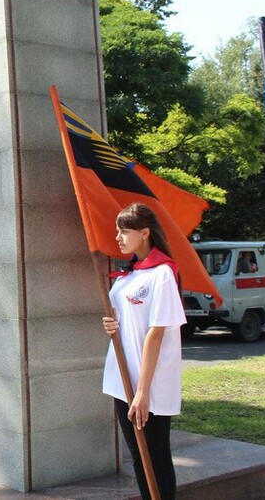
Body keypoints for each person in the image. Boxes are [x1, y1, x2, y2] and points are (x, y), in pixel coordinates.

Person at [101, 202, 185, 500]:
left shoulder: (162, 274)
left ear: (145, 232)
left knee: (156, 457)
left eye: (124, 231)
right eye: (117, 231)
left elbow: (157, 331)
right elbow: (125, 319)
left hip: (150, 383)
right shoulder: (127, 276)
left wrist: (143, 391)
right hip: (122, 377)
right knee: (138, 456)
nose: (118, 238)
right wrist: (112, 324)